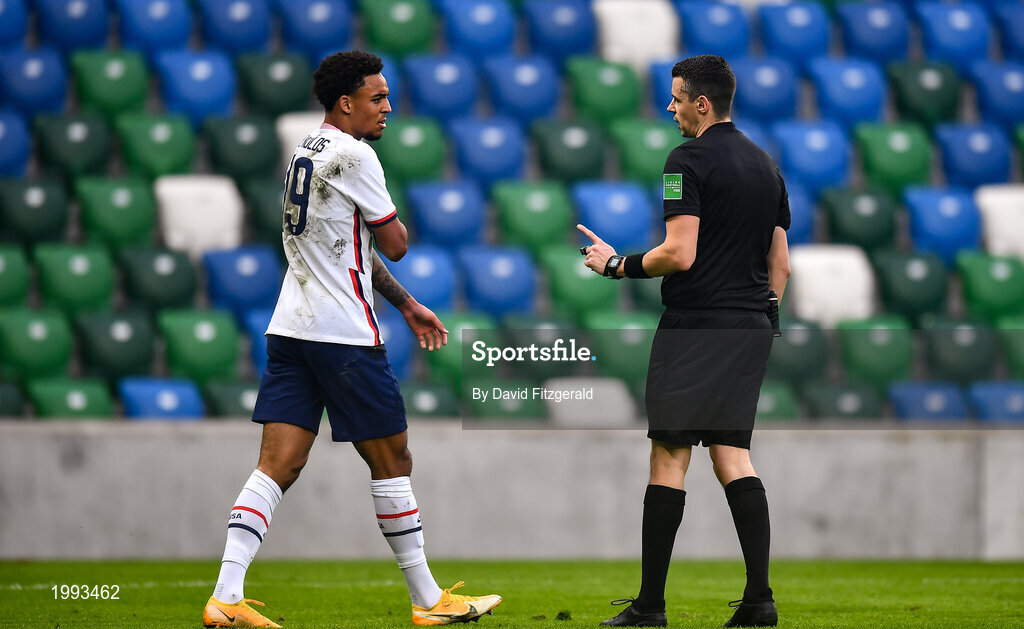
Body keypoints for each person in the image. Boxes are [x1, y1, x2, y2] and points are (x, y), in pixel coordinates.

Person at [202, 50, 502, 628]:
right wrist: (395, 229)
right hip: (342, 335)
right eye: (378, 98)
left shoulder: (306, 150)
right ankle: (428, 600)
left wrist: (408, 304)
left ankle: (226, 597)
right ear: (347, 104)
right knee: (392, 459)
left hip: (290, 327)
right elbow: (394, 244)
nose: (388, 108)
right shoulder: (355, 155)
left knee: (276, 465)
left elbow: (348, 250)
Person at [578, 55, 791, 628]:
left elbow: (680, 253)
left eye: (675, 98)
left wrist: (616, 266)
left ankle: (649, 606)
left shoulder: (685, 160)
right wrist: (762, 318)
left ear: (702, 102)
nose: (668, 108)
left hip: (696, 327)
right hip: (750, 326)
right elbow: (781, 266)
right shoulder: (766, 166)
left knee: (669, 455)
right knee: (733, 456)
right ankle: (758, 602)